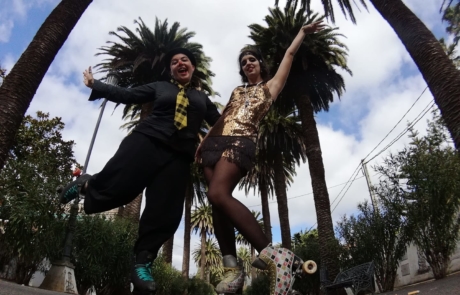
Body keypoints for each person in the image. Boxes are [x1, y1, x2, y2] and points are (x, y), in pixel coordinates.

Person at [59, 48, 220, 295]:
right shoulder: (160, 87)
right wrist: (96, 85)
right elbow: (128, 95)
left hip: (178, 157)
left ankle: (142, 263)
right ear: (171, 70)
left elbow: (220, 124)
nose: (179, 63)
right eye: (174, 61)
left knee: (164, 211)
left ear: (193, 67)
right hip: (146, 141)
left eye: (184, 60)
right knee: (120, 188)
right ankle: (85, 184)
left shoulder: (202, 99)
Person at [196, 21, 325, 295]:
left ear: (260, 64)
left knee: (219, 193)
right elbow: (221, 118)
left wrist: (301, 33)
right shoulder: (236, 91)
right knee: (215, 201)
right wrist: (204, 142)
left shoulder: (270, 87)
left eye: (251, 59)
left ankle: (276, 255)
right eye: (243, 62)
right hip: (214, 143)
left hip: (240, 142)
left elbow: (289, 56)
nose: (247, 64)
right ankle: (233, 272)